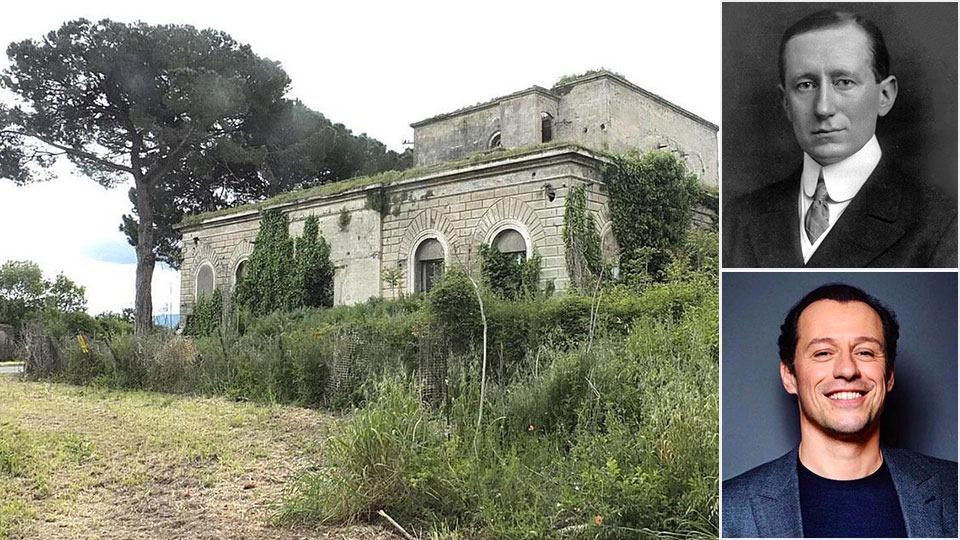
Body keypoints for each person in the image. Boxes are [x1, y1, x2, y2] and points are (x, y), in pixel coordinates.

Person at [723, 10, 957, 268]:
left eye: (843, 82)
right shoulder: (737, 218)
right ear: (786, 103)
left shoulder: (943, 223)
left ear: (885, 96)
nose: (823, 108)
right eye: (806, 85)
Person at [722, 283, 958, 537]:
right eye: (823, 353)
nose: (847, 369)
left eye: (865, 352)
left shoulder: (953, 489)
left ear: (889, 375)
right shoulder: (730, 510)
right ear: (789, 376)